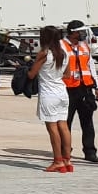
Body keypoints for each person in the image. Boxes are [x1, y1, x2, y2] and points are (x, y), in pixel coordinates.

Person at [26, 25, 72, 173]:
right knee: (63, 126)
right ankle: (67, 160)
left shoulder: (44, 53)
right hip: (62, 92)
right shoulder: (64, 52)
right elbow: (67, 75)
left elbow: (31, 75)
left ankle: (57, 161)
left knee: (52, 129)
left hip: (49, 94)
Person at [61, 20, 98, 163]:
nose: (84, 34)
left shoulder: (84, 46)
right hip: (68, 89)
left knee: (88, 122)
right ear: (73, 32)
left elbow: (90, 66)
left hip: (85, 88)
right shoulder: (61, 46)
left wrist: (97, 87)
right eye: (81, 31)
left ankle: (90, 151)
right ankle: (65, 150)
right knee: (66, 122)